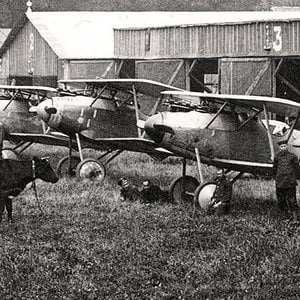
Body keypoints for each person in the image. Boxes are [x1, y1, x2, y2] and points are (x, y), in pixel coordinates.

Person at [273, 140, 300, 224]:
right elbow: (274, 168)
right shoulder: (276, 157)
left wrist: (294, 178)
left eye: (284, 146)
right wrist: (276, 178)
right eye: (281, 147)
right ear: (279, 148)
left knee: (292, 201)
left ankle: (295, 219)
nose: (283, 148)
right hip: (280, 182)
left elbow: (297, 169)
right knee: (281, 200)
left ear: (287, 146)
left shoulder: (293, 156)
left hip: (290, 182)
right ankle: (286, 217)